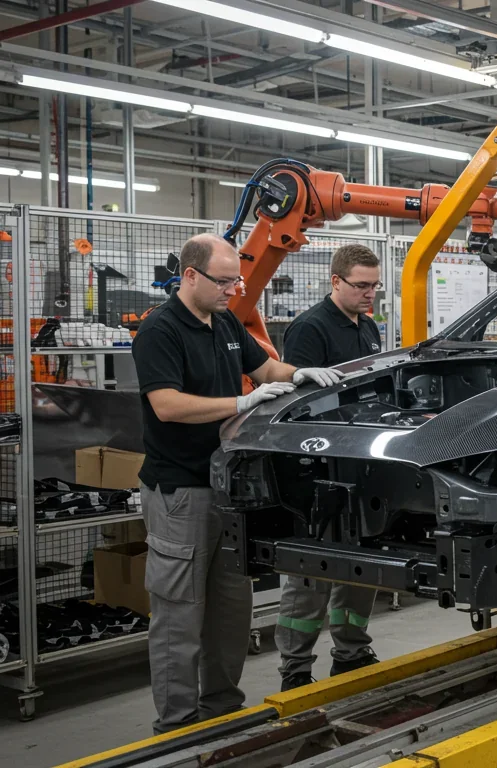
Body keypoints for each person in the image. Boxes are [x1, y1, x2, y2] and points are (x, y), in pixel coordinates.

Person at [133, 234, 345, 734]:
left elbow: (266, 367)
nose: (235, 289)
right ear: (190, 276)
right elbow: (166, 403)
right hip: (179, 492)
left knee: (231, 611)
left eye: (238, 280)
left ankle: (223, 711)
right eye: (225, 281)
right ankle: (179, 726)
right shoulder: (159, 331)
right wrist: (240, 403)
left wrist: (301, 375)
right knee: (179, 616)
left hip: (228, 488)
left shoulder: (225, 321)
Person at [275, 244, 384, 691]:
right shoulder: (310, 329)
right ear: (335, 281)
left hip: (358, 463)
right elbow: (298, 401)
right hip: (316, 466)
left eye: (375, 286)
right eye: (361, 285)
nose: (370, 294)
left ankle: (352, 652)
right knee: (311, 571)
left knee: (362, 565)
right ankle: (296, 669)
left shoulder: (369, 327)